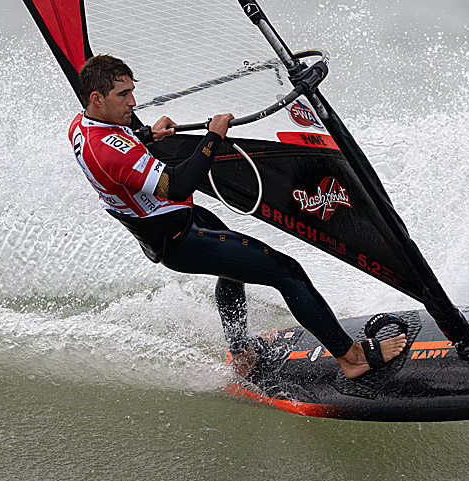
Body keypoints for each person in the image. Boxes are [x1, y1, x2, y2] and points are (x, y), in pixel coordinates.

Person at [69, 55, 406, 380]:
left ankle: (242, 352)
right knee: (288, 273)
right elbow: (177, 184)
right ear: (97, 98)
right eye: (123, 94)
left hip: (177, 221)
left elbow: (118, 155)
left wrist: (145, 136)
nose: (133, 102)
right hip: (178, 239)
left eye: (132, 91)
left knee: (231, 271)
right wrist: (213, 137)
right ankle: (351, 358)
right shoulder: (107, 149)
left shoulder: (81, 126)